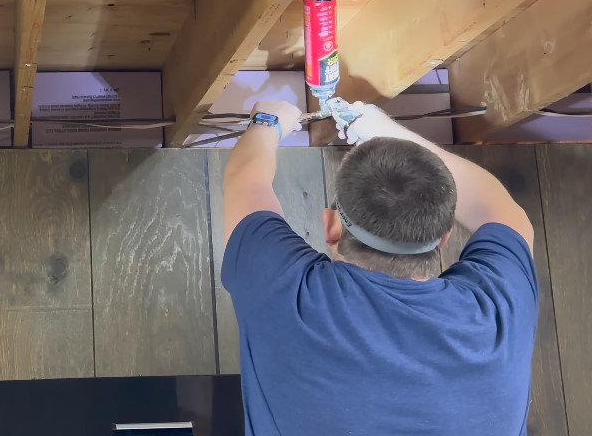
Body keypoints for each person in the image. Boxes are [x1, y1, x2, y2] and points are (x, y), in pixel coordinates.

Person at [221, 100, 537, 435]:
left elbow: (247, 181)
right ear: (444, 239)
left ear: (330, 227)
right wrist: (269, 125)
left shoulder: (290, 296)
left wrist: (270, 117)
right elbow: (502, 212)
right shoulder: (499, 315)